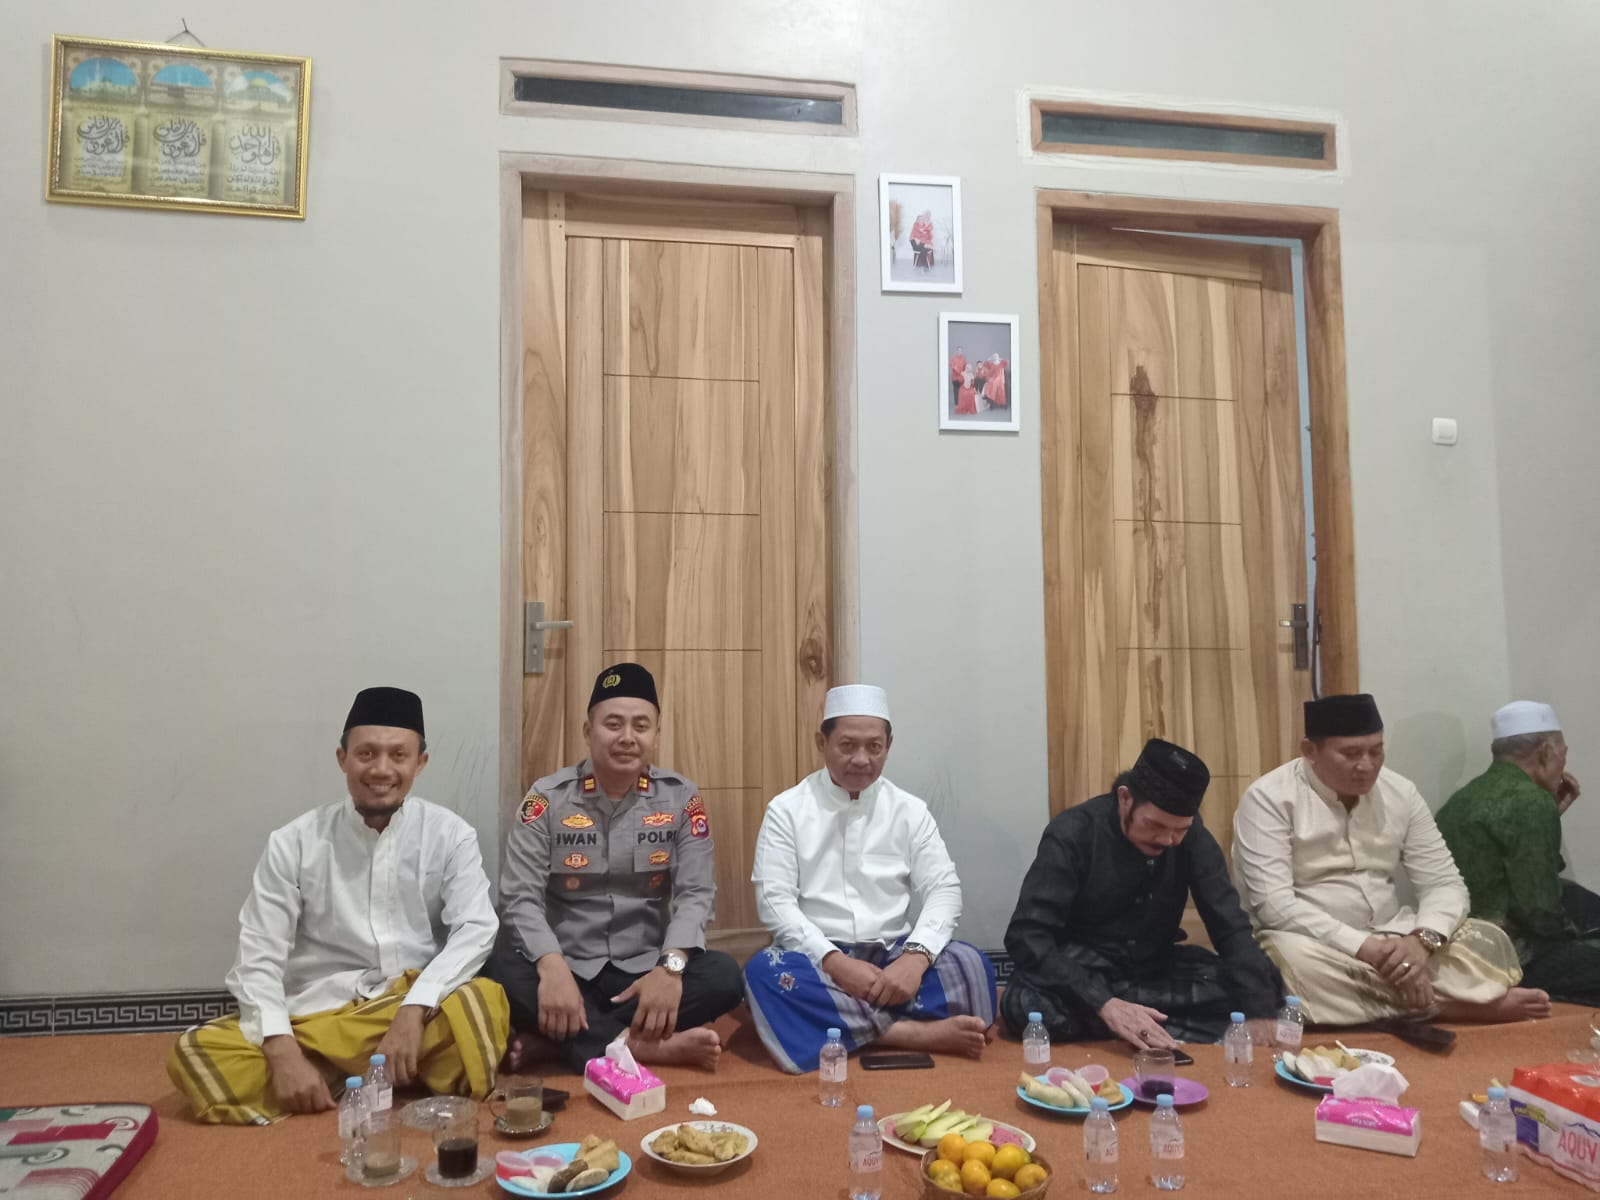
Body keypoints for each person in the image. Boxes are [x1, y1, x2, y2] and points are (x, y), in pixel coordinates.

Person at [167, 687, 508, 1124]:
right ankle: (374, 1071)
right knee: (195, 1052)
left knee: (484, 1002)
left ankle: (332, 1075)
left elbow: (475, 929)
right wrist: (282, 1048)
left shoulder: (450, 834)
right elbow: (258, 955)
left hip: (408, 1006)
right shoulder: (294, 842)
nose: (381, 769)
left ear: (420, 763)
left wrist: (414, 1009)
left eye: (398, 755)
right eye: (366, 754)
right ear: (342, 758)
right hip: (318, 1018)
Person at [1232, 694, 1548, 1030]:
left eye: (1376, 751)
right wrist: (1364, 948)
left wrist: (1422, 941)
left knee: (1489, 937)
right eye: (1351, 754)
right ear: (1310, 751)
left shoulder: (1401, 792)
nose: (1367, 765)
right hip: (1316, 942)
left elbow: (1444, 884)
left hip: (1396, 938)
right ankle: (1443, 1006)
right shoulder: (1268, 799)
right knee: (1290, 961)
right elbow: (1275, 906)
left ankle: (1385, 1002)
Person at [484, 663, 743, 1072]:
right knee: (497, 970)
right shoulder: (547, 799)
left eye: (641, 726)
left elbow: (696, 894)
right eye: (613, 724)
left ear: (656, 734)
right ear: (588, 731)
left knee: (724, 977)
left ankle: (565, 1042)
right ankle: (639, 1046)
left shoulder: (680, 798)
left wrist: (670, 970)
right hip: (567, 966)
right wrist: (551, 966)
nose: (627, 737)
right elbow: (519, 897)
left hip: (644, 968)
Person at [745, 685, 998, 1073]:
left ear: (888, 747)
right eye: (847, 746)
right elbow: (775, 902)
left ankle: (840, 1025)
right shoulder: (787, 810)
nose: (861, 759)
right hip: (817, 959)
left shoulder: (910, 810)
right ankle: (906, 1033)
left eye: (874, 747)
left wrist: (915, 959)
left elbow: (943, 889)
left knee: (973, 965)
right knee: (765, 972)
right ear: (822, 743)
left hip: (893, 956)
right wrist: (835, 963)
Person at [1001, 739, 1283, 1050]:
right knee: (1026, 1006)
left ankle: (1130, 1022)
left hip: (1152, 969)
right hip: (1083, 967)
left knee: (1265, 983)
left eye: (1180, 829)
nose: (1168, 839)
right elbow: (1027, 935)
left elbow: (1229, 925)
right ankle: (1136, 1020)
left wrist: (1259, 1011)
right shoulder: (1073, 832)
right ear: (1125, 799)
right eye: (1155, 825)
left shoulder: (1192, 838)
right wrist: (1103, 1002)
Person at [1437, 701, 1600, 1005]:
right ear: (1545, 753)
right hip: (1511, 953)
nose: (1563, 766)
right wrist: (1579, 941)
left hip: (1462, 942)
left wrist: (1551, 816)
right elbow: (1540, 911)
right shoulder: (1531, 800)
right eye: (1562, 755)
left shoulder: (1461, 799)